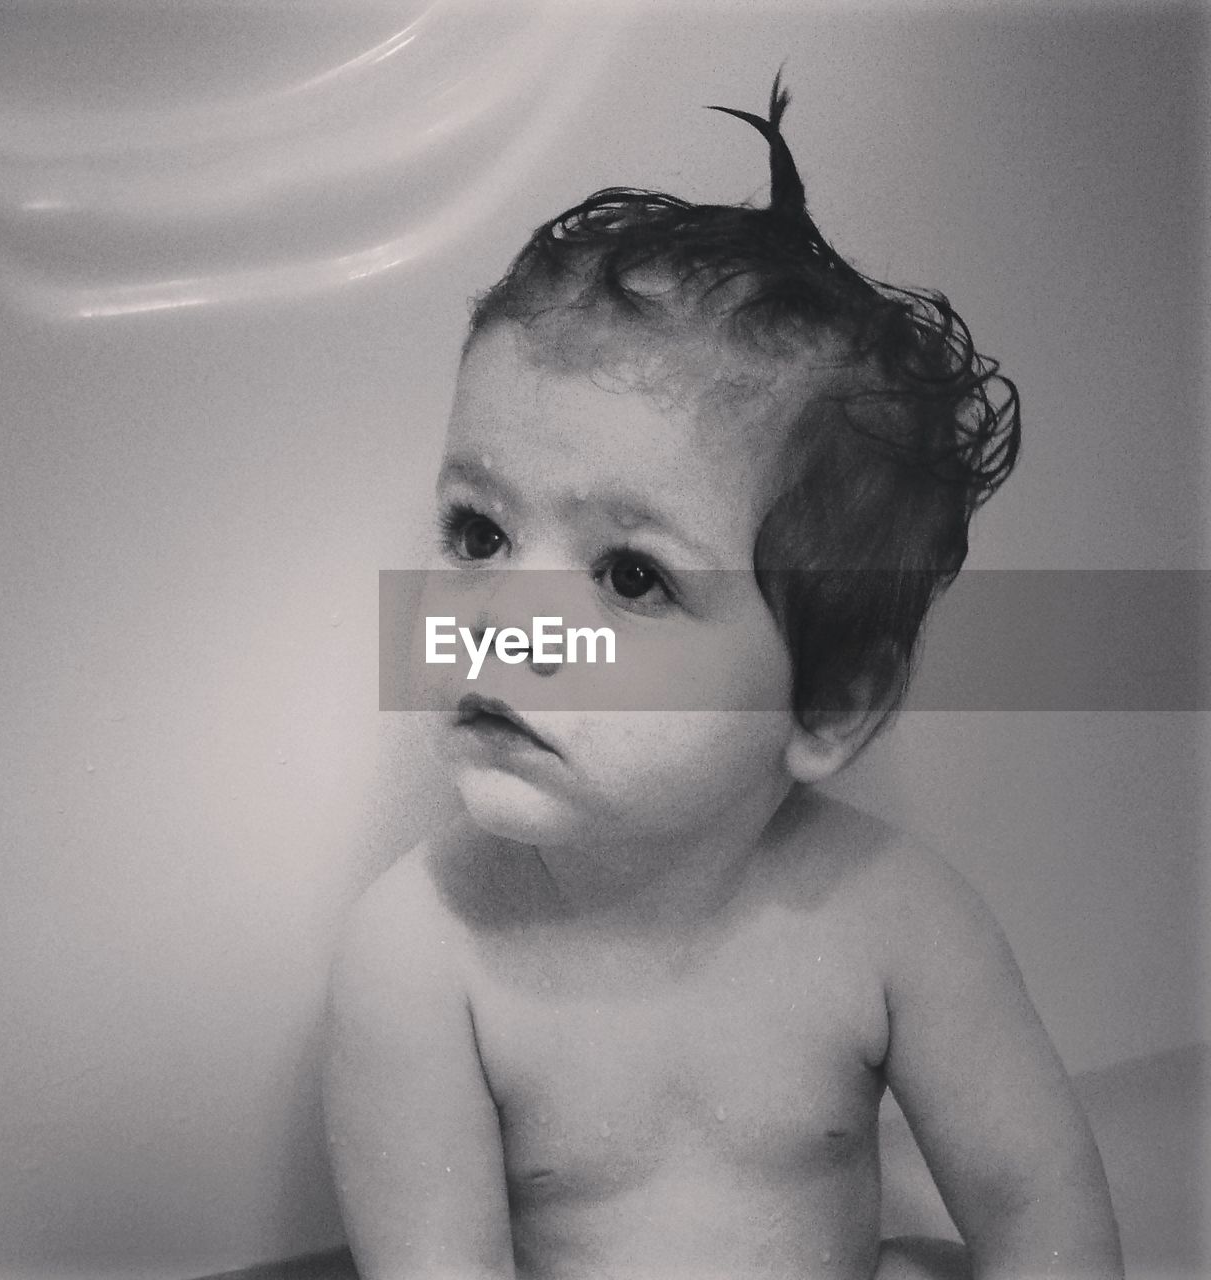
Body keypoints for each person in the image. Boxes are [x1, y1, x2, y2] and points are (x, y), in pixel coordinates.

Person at [324, 76, 1123, 1280]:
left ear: (826, 701)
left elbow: (1035, 1203)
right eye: (478, 532)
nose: (503, 623)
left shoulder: (896, 918)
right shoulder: (420, 955)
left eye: (631, 576)